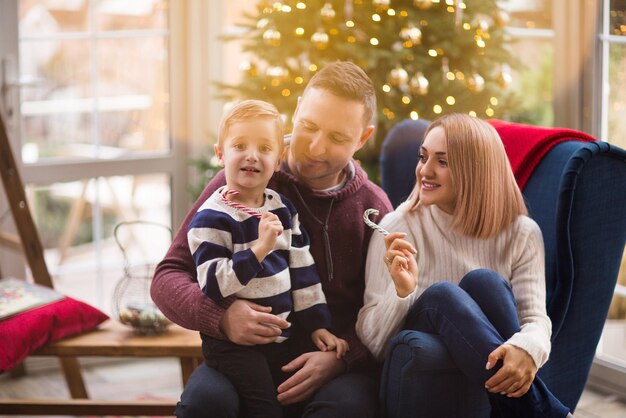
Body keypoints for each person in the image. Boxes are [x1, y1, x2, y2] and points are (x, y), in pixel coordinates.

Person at [151, 61, 393, 417]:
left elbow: (389, 308)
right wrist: (220, 317)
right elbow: (167, 277)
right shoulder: (238, 185)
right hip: (242, 355)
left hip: (331, 362)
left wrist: (344, 358)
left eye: (338, 138)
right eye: (308, 126)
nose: (315, 147)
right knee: (206, 404)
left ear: (363, 138)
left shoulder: (374, 207)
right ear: (296, 111)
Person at [356, 113, 572, 417]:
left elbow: (535, 319)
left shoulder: (522, 233)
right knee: (444, 294)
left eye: (442, 162)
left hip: (477, 370)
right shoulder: (398, 226)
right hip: (420, 337)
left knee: (486, 282)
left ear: (476, 170)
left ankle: (520, 409)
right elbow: (374, 344)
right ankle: (547, 412)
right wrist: (403, 293)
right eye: (423, 156)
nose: (424, 171)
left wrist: (526, 349)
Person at [188, 99, 350, 417]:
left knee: (291, 398)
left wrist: (317, 324)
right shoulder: (210, 218)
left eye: (264, 147)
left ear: (278, 161)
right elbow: (213, 283)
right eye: (239, 145)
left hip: (281, 334)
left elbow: (303, 268)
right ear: (220, 154)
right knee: (265, 407)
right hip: (233, 344)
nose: (252, 155)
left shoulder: (281, 208)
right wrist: (259, 249)